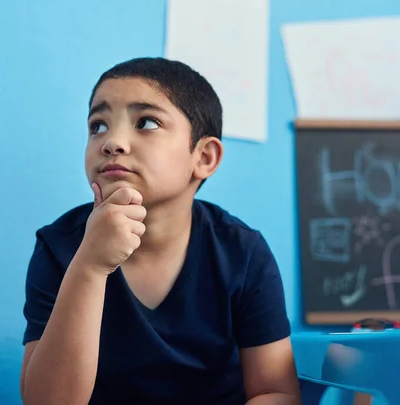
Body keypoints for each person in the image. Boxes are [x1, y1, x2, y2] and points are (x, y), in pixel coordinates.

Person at [19, 57, 301, 405]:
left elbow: (276, 392)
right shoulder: (59, 247)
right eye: (98, 126)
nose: (113, 142)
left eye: (146, 122)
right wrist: (90, 266)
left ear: (204, 158)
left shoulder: (242, 252)